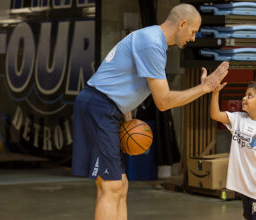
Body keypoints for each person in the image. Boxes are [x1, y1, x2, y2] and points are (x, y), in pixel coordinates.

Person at [72, 3, 229, 220]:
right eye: (193, 32)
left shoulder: (151, 40)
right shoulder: (151, 44)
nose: (193, 38)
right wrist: (205, 87)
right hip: (99, 107)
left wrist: (126, 117)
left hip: (108, 108)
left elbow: (120, 78)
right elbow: (163, 102)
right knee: (111, 186)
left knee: (121, 185)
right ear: (182, 24)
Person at [210, 82, 256, 220]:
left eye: (249, 96)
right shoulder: (238, 119)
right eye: (245, 95)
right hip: (246, 187)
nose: (244, 98)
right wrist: (215, 92)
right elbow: (215, 114)